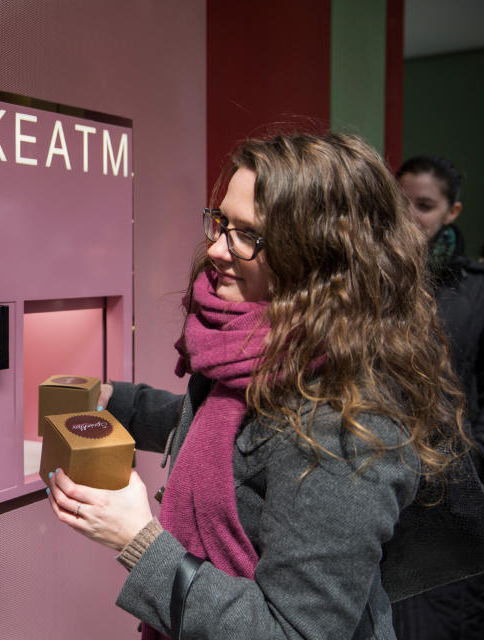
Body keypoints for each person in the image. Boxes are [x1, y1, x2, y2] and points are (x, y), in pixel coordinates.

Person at [45, 133, 471, 639]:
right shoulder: (259, 352)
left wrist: (140, 541)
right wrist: (122, 405)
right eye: (221, 223)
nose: (217, 248)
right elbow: (239, 439)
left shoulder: (348, 422)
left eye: (248, 235)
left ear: (321, 254)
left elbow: (293, 632)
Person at [391, 155, 484, 639]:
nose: (410, 216)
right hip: (386, 488)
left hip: (450, 498)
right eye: (402, 202)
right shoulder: (374, 282)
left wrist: (461, 460)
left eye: (424, 206)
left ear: (452, 212)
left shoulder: (475, 294)